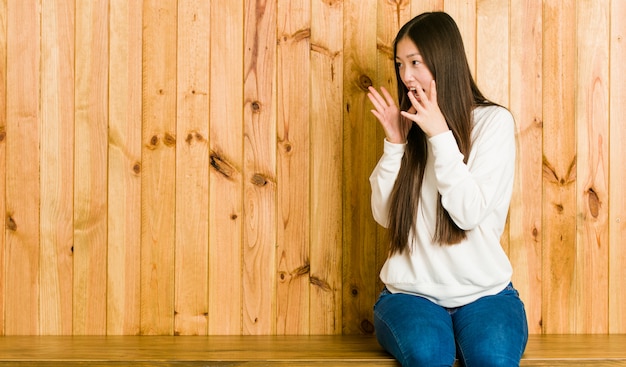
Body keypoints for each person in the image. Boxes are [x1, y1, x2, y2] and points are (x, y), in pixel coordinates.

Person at [366, 12, 528, 367]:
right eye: (400, 64)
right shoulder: (410, 125)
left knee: (494, 361)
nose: (405, 76)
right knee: (429, 356)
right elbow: (384, 215)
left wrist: (439, 135)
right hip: (410, 295)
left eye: (415, 62)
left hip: (486, 295)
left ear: (443, 61)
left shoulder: (493, 123)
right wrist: (395, 144)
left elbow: (467, 212)